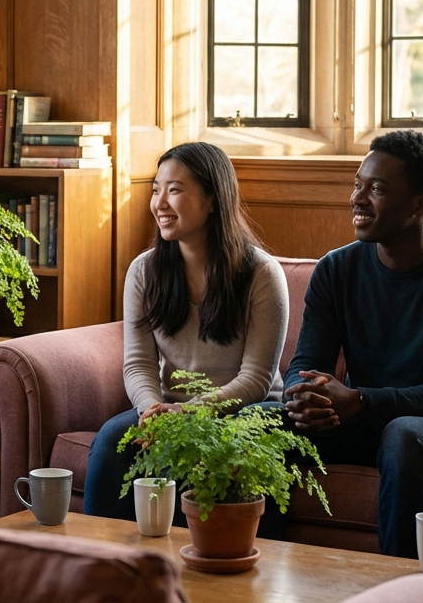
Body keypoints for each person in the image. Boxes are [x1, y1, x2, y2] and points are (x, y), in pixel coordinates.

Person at [277, 130, 423, 557]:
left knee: (405, 435)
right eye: (358, 184)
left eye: (377, 188)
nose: (358, 198)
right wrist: (303, 395)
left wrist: (358, 400)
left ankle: (398, 587)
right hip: (365, 419)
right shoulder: (335, 269)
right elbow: (306, 360)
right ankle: (252, 572)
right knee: (259, 424)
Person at [82, 142, 289, 521]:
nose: (160, 202)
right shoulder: (145, 271)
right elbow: (138, 364)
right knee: (114, 436)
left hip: (249, 411)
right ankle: (101, 562)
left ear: (213, 198)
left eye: (174, 190)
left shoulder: (261, 273)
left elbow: (257, 378)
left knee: (187, 450)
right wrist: (151, 411)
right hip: (170, 407)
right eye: (156, 189)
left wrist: (189, 415)